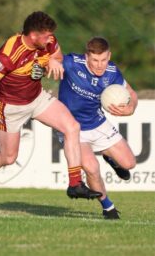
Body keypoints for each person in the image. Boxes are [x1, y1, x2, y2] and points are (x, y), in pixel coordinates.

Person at [0, 11, 102, 201]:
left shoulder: (48, 41)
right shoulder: (9, 53)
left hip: (37, 98)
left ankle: (75, 184)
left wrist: (47, 65)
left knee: (72, 127)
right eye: (46, 34)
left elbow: (58, 59)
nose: (50, 38)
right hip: (11, 107)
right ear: (34, 35)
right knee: (8, 158)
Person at [57, 37, 138, 219]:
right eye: (95, 60)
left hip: (98, 123)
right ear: (87, 57)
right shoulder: (71, 63)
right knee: (92, 168)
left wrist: (130, 107)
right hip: (73, 129)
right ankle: (108, 207)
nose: (100, 65)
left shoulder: (112, 73)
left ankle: (110, 158)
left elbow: (132, 94)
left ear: (109, 56)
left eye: (103, 60)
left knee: (129, 164)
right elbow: (50, 59)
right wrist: (49, 63)